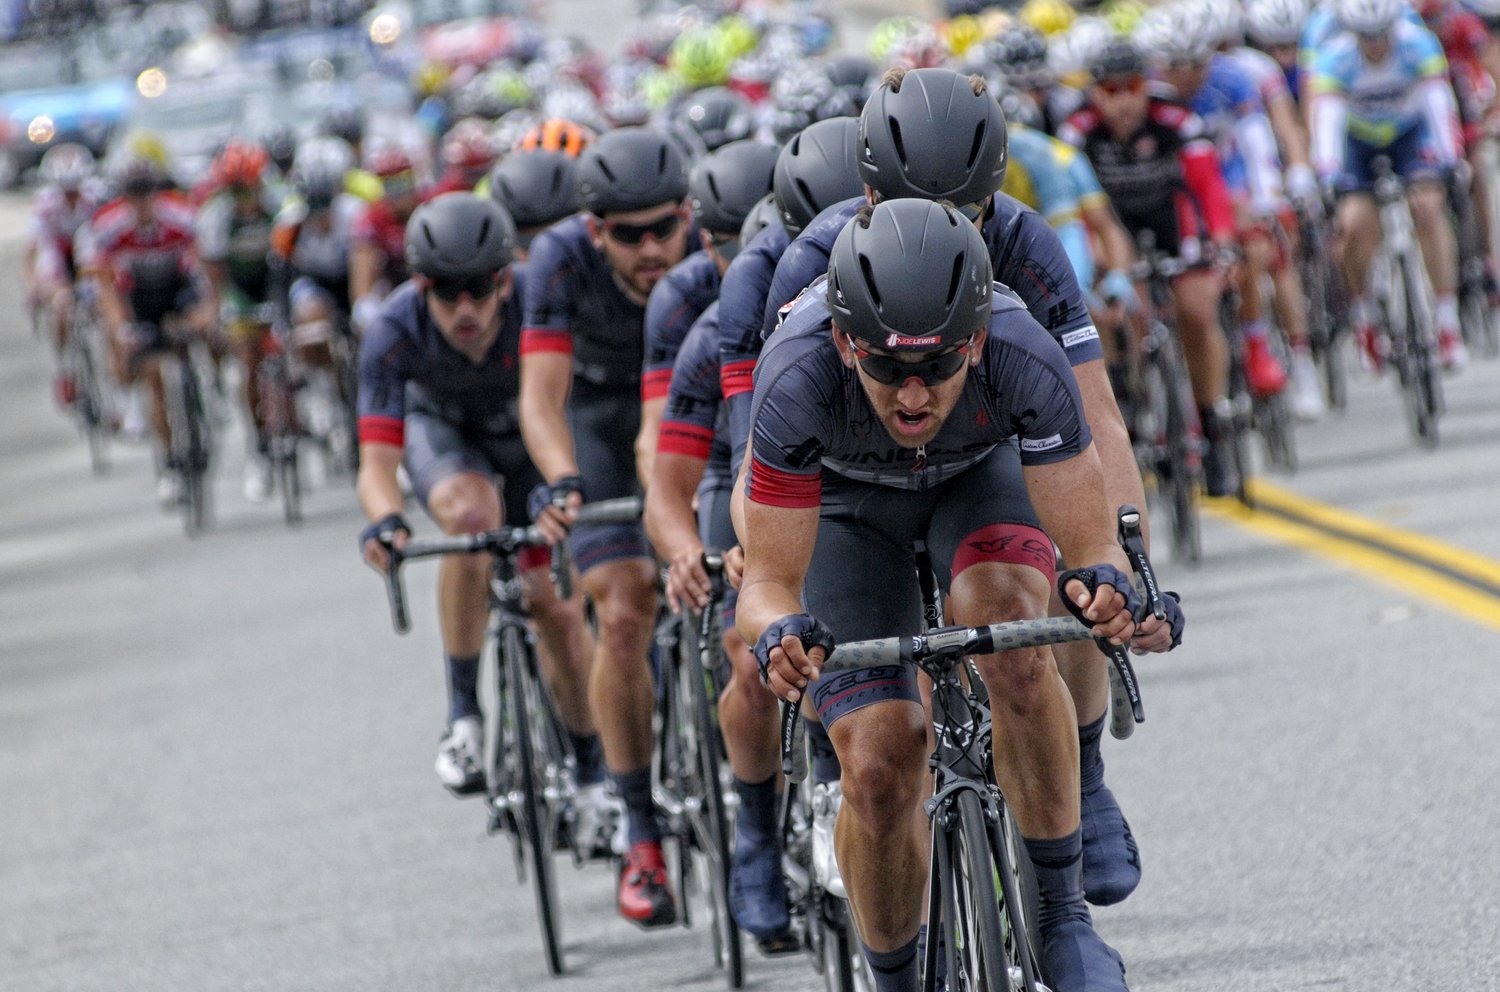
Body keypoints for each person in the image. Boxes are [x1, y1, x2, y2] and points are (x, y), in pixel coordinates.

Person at [738, 198, 1182, 992]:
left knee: (1016, 632)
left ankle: (1059, 919)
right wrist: (778, 632)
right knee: (877, 763)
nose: (913, 396)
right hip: (844, 513)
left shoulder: (1021, 352)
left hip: (977, 482)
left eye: (940, 366)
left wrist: (1113, 589)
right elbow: (767, 581)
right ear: (845, 343)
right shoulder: (796, 377)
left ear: (974, 341)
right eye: (886, 367)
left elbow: (1090, 546)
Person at [754, 66, 1149, 911]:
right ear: (865, 195)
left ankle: (1079, 778)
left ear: (992, 199)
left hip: (976, 466)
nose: (938, 232)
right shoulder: (814, 269)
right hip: (849, 496)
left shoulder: (1024, 257)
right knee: (880, 756)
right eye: (907, 207)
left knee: (1026, 611)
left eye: (963, 214)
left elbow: (1096, 425)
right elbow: (770, 448)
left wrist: (1125, 562)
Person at [354, 193, 609, 845]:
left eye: (479, 289)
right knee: (471, 517)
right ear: (421, 285)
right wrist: (386, 520)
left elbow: (569, 410)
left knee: (554, 604)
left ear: (505, 278)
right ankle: (464, 715)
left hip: (531, 441)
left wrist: (569, 489)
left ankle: (591, 774)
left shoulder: (537, 301)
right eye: (447, 293)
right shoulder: (393, 328)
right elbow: (378, 461)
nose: (464, 309)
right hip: (445, 438)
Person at [519, 127, 695, 929]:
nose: (653, 247)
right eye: (630, 235)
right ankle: (642, 836)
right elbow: (539, 398)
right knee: (622, 612)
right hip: (596, 414)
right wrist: (561, 479)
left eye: (666, 226)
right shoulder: (558, 259)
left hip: (689, 410)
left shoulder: (712, 245)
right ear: (596, 232)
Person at [1059, 38, 1245, 496]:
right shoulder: (1077, 132)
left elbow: (1208, 189)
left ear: (1148, 87)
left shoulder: (1177, 119)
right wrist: (1099, 262)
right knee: (1124, 311)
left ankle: (1211, 426)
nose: (1122, 101)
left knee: (1198, 313)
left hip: (1170, 221)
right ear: (1094, 93)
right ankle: (1138, 403)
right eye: (1109, 89)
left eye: (1133, 87)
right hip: (1113, 227)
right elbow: (1077, 212)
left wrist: (1221, 243)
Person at [1309, 0, 1469, 371]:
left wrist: (1450, 156)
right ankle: (1366, 315)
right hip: (1357, 142)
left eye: (1382, 35)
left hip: (1410, 133)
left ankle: (1446, 323)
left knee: (1428, 208)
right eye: (1367, 37)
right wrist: (1327, 172)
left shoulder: (1418, 44)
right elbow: (1327, 120)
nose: (1376, 44)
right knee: (1353, 225)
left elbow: (1436, 102)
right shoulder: (1335, 58)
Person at [85, 147, 211, 504]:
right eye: (134, 194)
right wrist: (120, 329)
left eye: (147, 193)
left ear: (157, 192)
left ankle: (203, 398)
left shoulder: (181, 216)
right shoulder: (109, 228)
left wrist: (205, 312)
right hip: (138, 300)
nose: (142, 202)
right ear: (124, 197)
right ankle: (170, 461)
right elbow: (106, 287)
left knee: (199, 332)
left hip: (176, 291)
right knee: (154, 376)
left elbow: (204, 271)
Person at [196, 139, 285, 502]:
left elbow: (293, 257)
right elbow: (215, 277)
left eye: (249, 188)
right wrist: (217, 313)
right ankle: (258, 446)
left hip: (275, 280)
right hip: (240, 289)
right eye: (235, 191)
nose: (244, 198)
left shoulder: (280, 203)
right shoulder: (215, 217)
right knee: (248, 359)